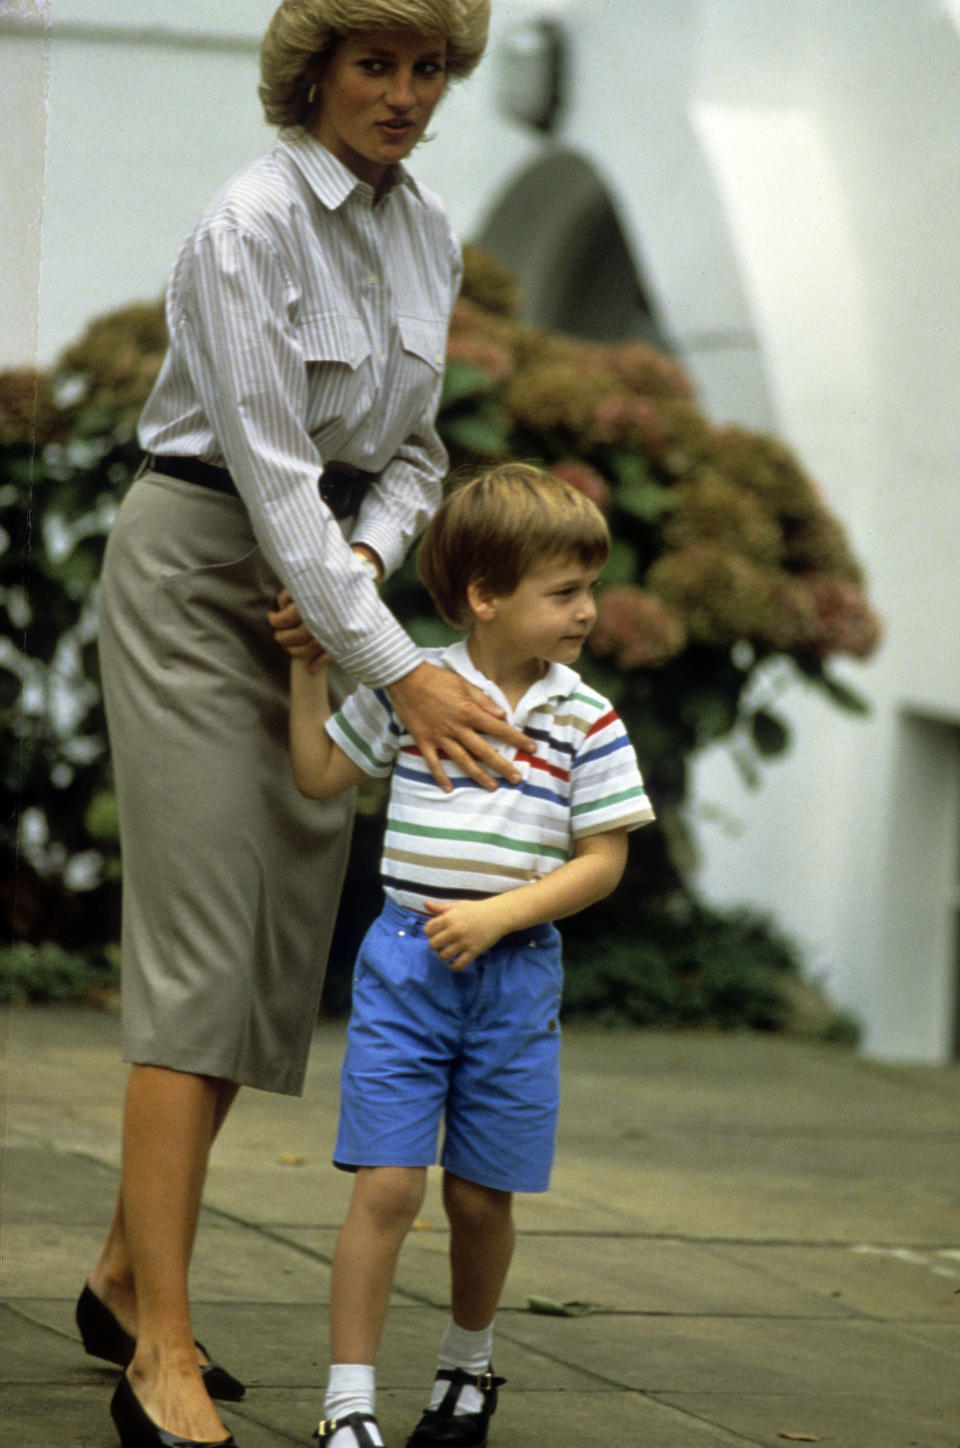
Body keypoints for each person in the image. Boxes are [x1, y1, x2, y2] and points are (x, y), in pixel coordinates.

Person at [81, 6, 533, 1448]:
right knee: (203, 956)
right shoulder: (248, 223)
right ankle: (159, 1348)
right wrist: (400, 665)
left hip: (324, 595)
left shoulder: (428, 229)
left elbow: (409, 450)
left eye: (426, 70)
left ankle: (111, 1272)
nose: (403, 97)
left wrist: (365, 577)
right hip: (201, 569)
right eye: (374, 65)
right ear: (314, 71)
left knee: (271, 956)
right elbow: (275, 482)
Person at [279, 464, 654, 1448]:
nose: (588, 610)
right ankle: (349, 1400)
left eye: (589, 589)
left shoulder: (587, 718)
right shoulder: (418, 687)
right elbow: (321, 774)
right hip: (406, 968)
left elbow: (604, 859)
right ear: (487, 596)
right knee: (388, 1185)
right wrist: (309, 668)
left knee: (481, 1194)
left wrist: (502, 915)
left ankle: (466, 1371)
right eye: (563, 592)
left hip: (516, 972)